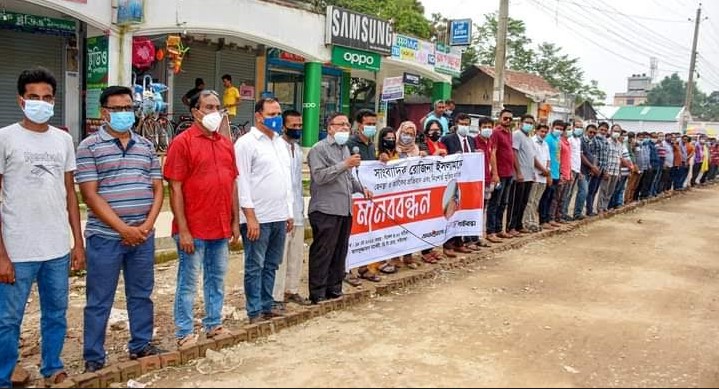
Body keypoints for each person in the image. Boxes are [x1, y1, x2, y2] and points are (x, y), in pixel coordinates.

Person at [0, 68, 85, 387]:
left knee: (56, 314)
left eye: (47, 98)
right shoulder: (5, 137)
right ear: (21, 101)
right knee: (7, 320)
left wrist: (77, 242)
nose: (41, 103)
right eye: (33, 97)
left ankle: (52, 367)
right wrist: (2, 255)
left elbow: (70, 195)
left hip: (56, 249)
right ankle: (4, 376)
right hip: (17, 249)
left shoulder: (63, 140)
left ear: (54, 101)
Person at [76, 86, 165, 373]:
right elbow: (90, 195)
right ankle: (94, 356)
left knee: (141, 294)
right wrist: (123, 228)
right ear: (104, 113)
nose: (125, 114)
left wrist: (148, 225)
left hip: (143, 235)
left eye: (129, 108)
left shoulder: (146, 145)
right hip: (105, 237)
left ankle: (141, 344)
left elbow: (157, 188)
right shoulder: (88, 147)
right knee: (100, 298)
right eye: (117, 109)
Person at [164, 89, 240, 347]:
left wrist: (233, 220)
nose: (215, 112)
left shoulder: (225, 144)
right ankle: (184, 332)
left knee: (216, 279)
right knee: (188, 282)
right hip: (193, 229)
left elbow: (232, 184)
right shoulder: (182, 143)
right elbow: (174, 188)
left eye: (218, 107)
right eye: (208, 107)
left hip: (220, 225)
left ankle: (213, 324)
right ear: (195, 112)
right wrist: (183, 229)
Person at [235, 98, 294, 324]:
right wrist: (250, 217)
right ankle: (254, 311)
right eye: (272, 114)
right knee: (254, 265)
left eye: (279, 113)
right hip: (257, 218)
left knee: (272, 264)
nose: (277, 118)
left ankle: (267, 304)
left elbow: (286, 181)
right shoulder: (246, 143)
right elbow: (242, 181)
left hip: (279, 216)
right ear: (259, 116)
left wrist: (288, 212)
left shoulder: (280, 143)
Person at [307, 113, 372, 304]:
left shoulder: (345, 149)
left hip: (345, 208)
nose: (345, 128)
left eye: (347, 125)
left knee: (339, 251)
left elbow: (348, 178)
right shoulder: (319, 149)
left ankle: (334, 288)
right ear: (330, 128)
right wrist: (345, 164)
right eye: (340, 125)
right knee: (323, 251)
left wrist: (362, 189)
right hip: (326, 209)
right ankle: (317, 292)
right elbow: (320, 177)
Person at [272, 110, 310, 308]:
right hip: (281, 212)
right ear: (283, 126)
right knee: (280, 258)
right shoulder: (277, 147)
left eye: (299, 126)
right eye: (293, 126)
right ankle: (276, 296)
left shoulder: (298, 150)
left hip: (297, 211)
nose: (297, 129)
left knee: (296, 254)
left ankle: (292, 290)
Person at [440, 114, 476, 257]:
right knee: (451, 211)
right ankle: (448, 243)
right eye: (462, 123)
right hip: (453, 181)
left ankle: (459, 242)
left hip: (468, 181)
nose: (464, 127)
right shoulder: (448, 139)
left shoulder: (472, 141)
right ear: (456, 124)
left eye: (467, 124)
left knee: (463, 211)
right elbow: (443, 158)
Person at [486, 109, 514, 243]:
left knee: (503, 203)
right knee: (494, 203)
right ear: (499, 118)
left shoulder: (509, 133)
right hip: (500, 174)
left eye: (510, 119)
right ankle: (490, 231)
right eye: (505, 118)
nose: (507, 120)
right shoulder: (496, 132)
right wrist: (495, 173)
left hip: (509, 173)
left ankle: (499, 229)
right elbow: (493, 153)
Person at [506, 114, 536, 236]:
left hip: (529, 175)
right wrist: (518, 172)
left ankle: (519, 224)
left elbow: (531, 157)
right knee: (515, 202)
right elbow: (514, 153)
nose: (529, 125)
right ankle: (511, 226)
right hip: (520, 175)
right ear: (521, 123)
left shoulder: (529, 138)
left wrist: (533, 173)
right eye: (527, 122)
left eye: (531, 123)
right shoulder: (517, 135)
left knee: (523, 202)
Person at [523, 124, 551, 232]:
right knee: (530, 200)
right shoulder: (532, 142)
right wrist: (543, 170)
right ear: (536, 131)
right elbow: (533, 158)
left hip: (543, 177)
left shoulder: (545, 144)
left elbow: (548, 159)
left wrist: (547, 170)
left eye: (545, 132)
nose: (543, 134)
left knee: (536, 201)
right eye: (541, 131)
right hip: (534, 175)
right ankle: (527, 222)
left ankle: (533, 221)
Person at [539, 120, 563, 229]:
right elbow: (546, 158)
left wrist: (559, 173)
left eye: (561, 129)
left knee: (551, 198)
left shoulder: (558, 140)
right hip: (549, 174)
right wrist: (548, 174)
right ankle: (543, 220)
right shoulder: (548, 139)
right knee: (545, 198)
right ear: (552, 127)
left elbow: (557, 158)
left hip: (556, 173)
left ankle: (548, 219)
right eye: (557, 128)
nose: (559, 131)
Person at [575, 124, 599, 220]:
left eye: (594, 132)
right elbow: (581, 156)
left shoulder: (593, 142)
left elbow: (594, 156)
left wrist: (594, 167)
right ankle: (577, 213)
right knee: (583, 192)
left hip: (589, 171)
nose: (592, 134)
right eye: (590, 132)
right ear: (586, 131)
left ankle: (579, 212)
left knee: (586, 191)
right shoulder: (581, 141)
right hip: (582, 170)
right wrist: (592, 166)